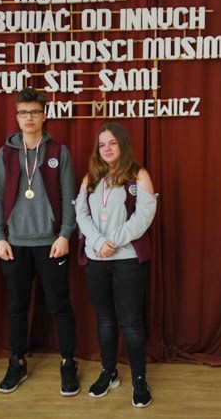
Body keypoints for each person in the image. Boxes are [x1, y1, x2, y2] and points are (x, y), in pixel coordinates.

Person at [0, 87, 79, 396]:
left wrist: (65, 234)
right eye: (23, 112)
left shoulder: (58, 152)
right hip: (14, 244)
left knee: (60, 305)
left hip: (52, 243)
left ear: (44, 116)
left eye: (35, 112)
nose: (29, 117)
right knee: (17, 306)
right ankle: (17, 362)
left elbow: (70, 197)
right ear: (17, 116)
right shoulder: (6, 153)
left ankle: (68, 363)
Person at [74, 122, 158, 408]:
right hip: (96, 260)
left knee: (131, 323)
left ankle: (139, 379)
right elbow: (81, 213)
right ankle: (108, 373)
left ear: (122, 144)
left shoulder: (138, 175)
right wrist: (98, 242)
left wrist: (112, 241)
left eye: (112, 143)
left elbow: (143, 217)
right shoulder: (91, 177)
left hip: (127, 260)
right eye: (102, 144)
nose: (107, 149)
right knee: (105, 320)